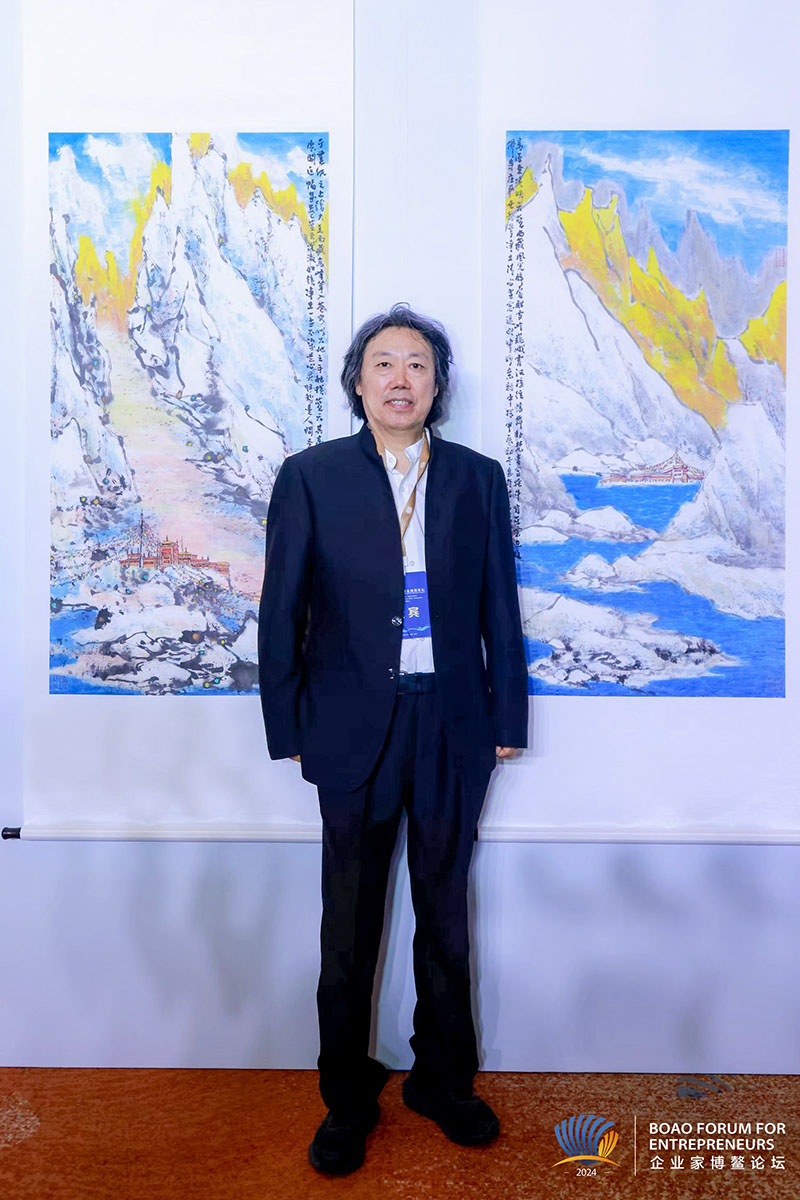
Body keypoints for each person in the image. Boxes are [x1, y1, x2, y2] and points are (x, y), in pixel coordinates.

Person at [257, 303, 528, 1175]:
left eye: (418, 364)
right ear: (358, 381)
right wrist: (288, 725)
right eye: (384, 363)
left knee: (446, 917)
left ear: (438, 385)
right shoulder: (311, 477)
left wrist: (507, 720)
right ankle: (346, 1098)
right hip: (349, 727)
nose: (401, 378)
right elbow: (282, 611)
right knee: (349, 925)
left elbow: (498, 607)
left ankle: (443, 1082)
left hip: (452, 723)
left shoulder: (477, 478)